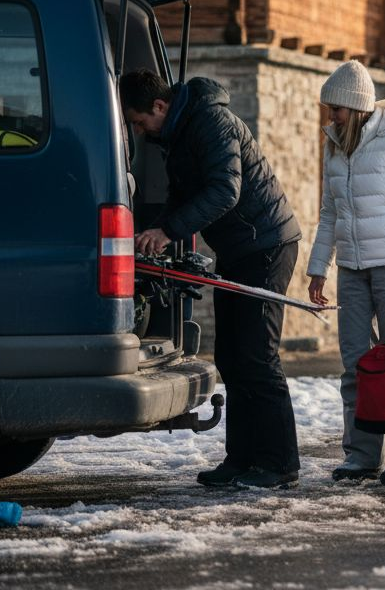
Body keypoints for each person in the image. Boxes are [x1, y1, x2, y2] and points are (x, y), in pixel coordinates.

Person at [119, 69, 304, 490]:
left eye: (139, 120)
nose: (139, 129)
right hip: (239, 249)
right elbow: (183, 197)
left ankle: (279, 464)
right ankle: (241, 459)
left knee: (257, 356)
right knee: (232, 357)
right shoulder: (179, 131)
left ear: (160, 106)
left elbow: (225, 191)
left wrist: (168, 231)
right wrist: (158, 231)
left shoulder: (211, 122)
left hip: (267, 244)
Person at [306, 60, 385, 486]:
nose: (331, 116)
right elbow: (330, 213)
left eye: (336, 109)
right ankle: (361, 454)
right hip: (351, 268)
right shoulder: (333, 147)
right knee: (354, 365)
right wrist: (317, 270)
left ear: (355, 107)